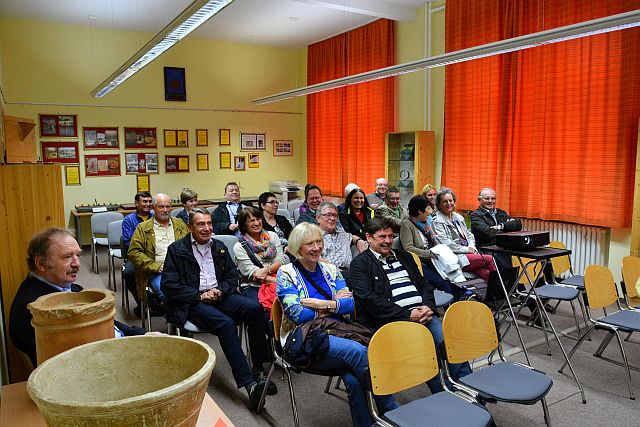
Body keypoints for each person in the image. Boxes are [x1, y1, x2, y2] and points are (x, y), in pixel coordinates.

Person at [276, 223, 397, 427]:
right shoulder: (286, 273)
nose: (316, 248)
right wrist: (336, 305)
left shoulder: (331, 269)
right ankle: (392, 411)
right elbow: (298, 315)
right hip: (304, 340)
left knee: (353, 379)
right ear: (298, 247)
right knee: (358, 352)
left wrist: (323, 305)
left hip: (339, 331)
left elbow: (350, 304)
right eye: (309, 244)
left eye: (319, 241)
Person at [161, 208, 275, 408]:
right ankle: (249, 385)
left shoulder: (219, 247)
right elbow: (169, 286)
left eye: (209, 223)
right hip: (193, 301)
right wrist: (200, 295)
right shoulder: (177, 249)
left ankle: (258, 370)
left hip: (220, 295)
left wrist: (219, 291)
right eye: (201, 224)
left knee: (255, 308)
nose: (207, 228)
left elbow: (233, 277)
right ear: (190, 227)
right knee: (225, 323)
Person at [349, 217, 472, 394]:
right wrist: (407, 315)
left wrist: (428, 306)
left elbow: (425, 285)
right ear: (369, 237)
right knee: (423, 349)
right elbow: (370, 300)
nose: (388, 241)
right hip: (392, 321)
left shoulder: (404, 257)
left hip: (423, 315)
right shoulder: (360, 264)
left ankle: (467, 389)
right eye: (382, 237)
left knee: (449, 343)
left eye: (391, 236)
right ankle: (445, 395)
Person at [9, 228, 146, 367]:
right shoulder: (36, 310)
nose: (77, 264)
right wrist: (136, 346)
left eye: (78, 255)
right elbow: (76, 361)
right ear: (41, 264)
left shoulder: (70, 288)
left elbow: (108, 323)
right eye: (67, 257)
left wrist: (142, 335)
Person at [400, 196, 465, 301]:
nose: (431, 212)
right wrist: (429, 254)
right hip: (420, 263)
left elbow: (435, 241)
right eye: (428, 209)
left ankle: (459, 308)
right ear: (420, 211)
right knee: (444, 283)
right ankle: (450, 310)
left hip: (434, 260)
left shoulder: (425, 223)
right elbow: (409, 248)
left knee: (455, 279)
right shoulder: (406, 225)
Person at [128, 193, 188, 306]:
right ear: (154, 208)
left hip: (182, 270)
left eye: (168, 206)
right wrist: (157, 267)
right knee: (168, 294)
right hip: (157, 272)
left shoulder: (180, 224)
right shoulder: (143, 228)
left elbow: (190, 245)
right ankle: (178, 319)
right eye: (161, 207)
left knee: (195, 291)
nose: (165, 210)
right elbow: (134, 252)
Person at [432, 188, 496, 282]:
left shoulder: (458, 217)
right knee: (489, 259)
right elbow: (445, 244)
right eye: (445, 201)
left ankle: (495, 295)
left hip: (468, 253)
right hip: (455, 257)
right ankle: (505, 290)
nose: (449, 203)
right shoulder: (437, 221)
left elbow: (469, 235)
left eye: (451, 200)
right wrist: (467, 249)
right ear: (439, 204)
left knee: (486, 273)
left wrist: (471, 247)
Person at [234, 207, 289, 312]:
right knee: (262, 310)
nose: (257, 223)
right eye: (251, 221)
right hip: (253, 285)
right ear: (244, 225)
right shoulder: (240, 246)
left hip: (278, 278)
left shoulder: (272, 236)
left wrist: (266, 270)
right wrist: (277, 281)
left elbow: (281, 260)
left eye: (258, 219)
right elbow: (252, 274)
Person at [470, 187, 522, 269]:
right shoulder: (475, 215)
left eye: (493, 198)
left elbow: (518, 224)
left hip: (503, 248)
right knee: (506, 269)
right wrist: (507, 231)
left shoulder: (501, 212)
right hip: (487, 251)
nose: (490, 201)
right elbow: (489, 234)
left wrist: (500, 226)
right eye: (487, 198)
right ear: (479, 200)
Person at [316, 202, 367, 281]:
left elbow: (352, 237)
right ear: (318, 218)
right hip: (328, 275)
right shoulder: (313, 236)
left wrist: (359, 241)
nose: (332, 218)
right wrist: (335, 270)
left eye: (335, 215)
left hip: (350, 272)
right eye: (328, 215)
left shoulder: (342, 233)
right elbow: (314, 258)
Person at [121, 191, 153, 316]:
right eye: (145, 201)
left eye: (150, 201)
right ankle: (141, 303)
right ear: (136, 203)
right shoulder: (129, 220)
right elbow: (128, 242)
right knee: (128, 273)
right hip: (136, 256)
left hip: (155, 255)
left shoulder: (155, 217)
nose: (148, 204)